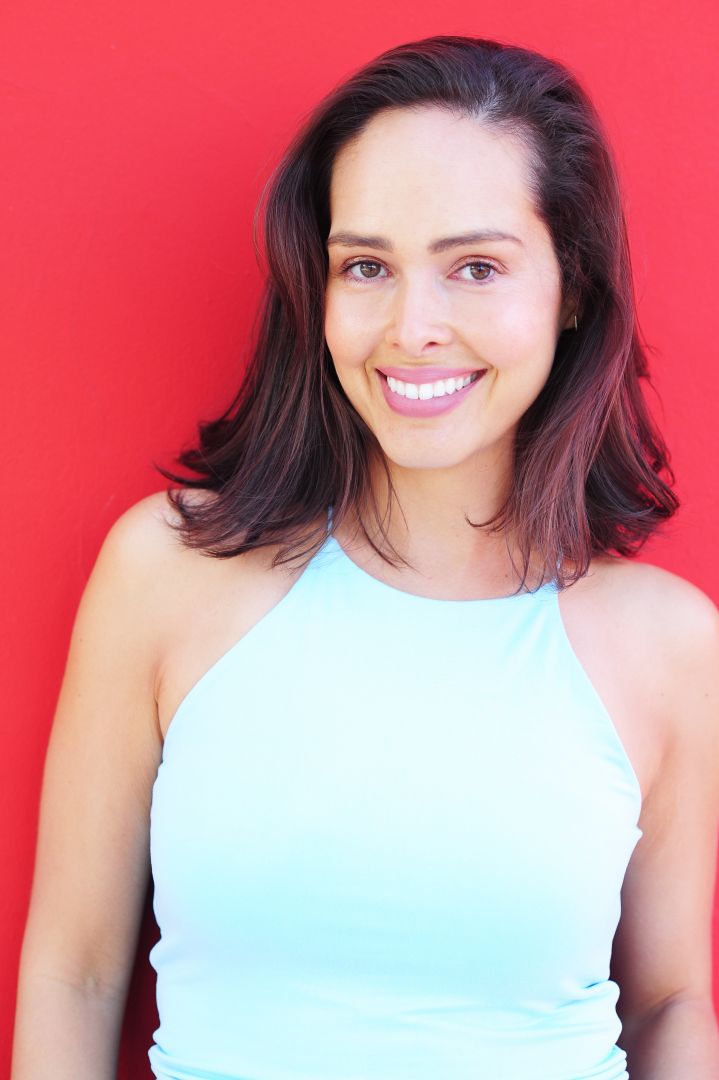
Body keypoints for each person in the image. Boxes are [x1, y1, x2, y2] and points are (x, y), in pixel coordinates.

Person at [11, 34, 719, 1080]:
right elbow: (72, 974)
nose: (410, 327)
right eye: (367, 267)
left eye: (474, 267)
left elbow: (669, 1003)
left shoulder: (669, 644)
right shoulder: (167, 572)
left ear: (570, 289)